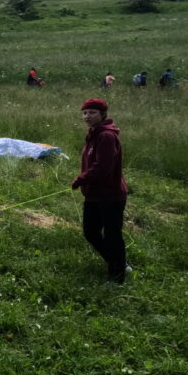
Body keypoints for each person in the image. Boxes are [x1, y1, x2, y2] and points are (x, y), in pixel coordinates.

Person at [71, 98, 130, 283]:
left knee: (112, 235)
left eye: (92, 112)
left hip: (110, 195)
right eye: (85, 113)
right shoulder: (94, 133)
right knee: (91, 232)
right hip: (94, 194)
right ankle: (117, 262)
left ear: (102, 114)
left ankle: (118, 275)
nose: (87, 116)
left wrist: (81, 179)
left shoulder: (106, 136)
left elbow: (103, 167)